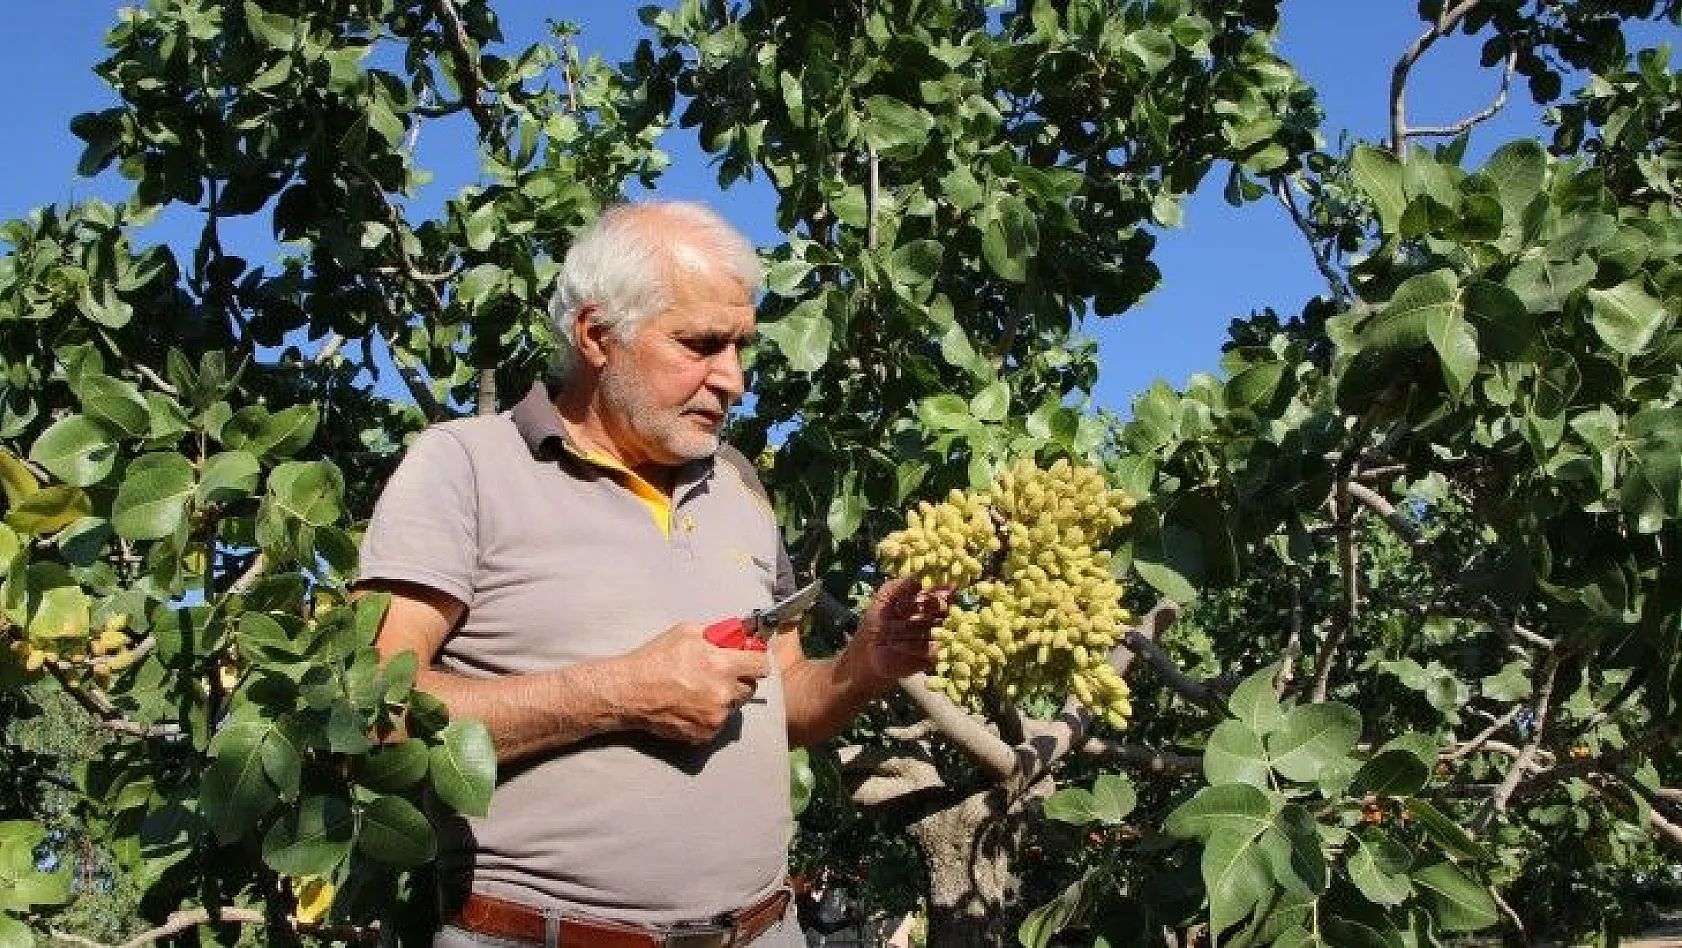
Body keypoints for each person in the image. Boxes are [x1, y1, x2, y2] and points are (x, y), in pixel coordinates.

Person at [355, 201, 946, 948]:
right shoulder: (466, 466)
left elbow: (783, 707)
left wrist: (864, 666)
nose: (733, 378)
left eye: (740, 347)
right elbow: (370, 714)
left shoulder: (738, 486)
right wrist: (618, 694)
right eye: (701, 345)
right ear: (597, 336)